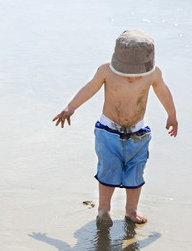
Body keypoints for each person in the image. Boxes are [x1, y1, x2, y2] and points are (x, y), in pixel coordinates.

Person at [52, 29, 178, 225]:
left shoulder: (154, 73)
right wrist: (71, 107)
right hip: (108, 131)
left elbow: (162, 90)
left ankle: (131, 210)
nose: (132, 77)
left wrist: (172, 115)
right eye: (127, 73)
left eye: (136, 74)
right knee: (108, 169)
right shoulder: (106, 71)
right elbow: (90, 88)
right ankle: (103, 210)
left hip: (138, 133)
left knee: (136, 171)